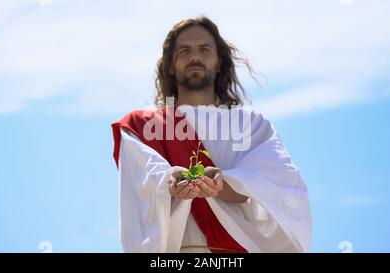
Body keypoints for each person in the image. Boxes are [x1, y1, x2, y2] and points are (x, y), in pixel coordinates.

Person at [111, 16, 311, 253]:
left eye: (204, 49)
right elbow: (144, 179)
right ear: (170, 65)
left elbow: (275, 182)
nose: (195, 56)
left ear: (219, 61)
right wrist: (171, 180)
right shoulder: (141, 125)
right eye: (184, 50)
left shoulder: (249, 124)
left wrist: (221, 184)